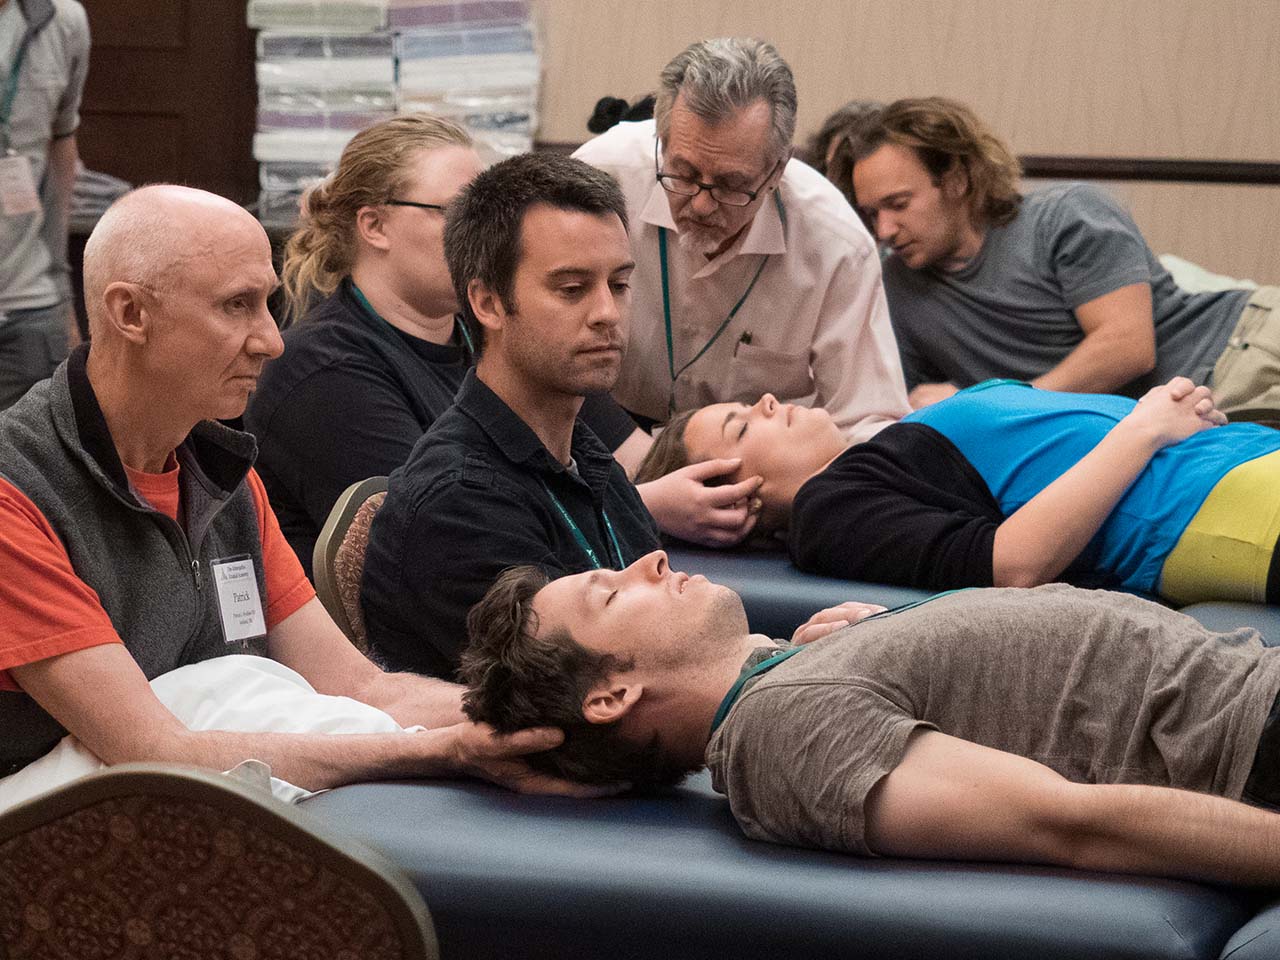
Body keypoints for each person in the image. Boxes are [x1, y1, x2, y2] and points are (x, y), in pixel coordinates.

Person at [0, 184, 603, 798]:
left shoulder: (223, 476)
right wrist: (444, 749)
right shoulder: (15, 496)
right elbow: (153, 751)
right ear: (131, 315)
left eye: (268, 303)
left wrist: (551, 723)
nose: (272, 340)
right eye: (237, 306)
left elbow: (362, 688)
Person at [461, 550, 1280, 886]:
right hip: (1257, 736)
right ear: (609, 696)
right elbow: (1069, 822)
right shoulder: (784, 729)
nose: (653, 559)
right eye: (613, 592)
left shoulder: (784, 676)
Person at [245, 115, 761, 573]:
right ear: (374, 225)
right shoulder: (319, 371)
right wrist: (648, 503)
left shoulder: (501, 335)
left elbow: (637, 459)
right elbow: (440, 530)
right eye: (458, 211)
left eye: (619, 285)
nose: (482, 232)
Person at [360, 153, 664, 678]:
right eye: (571, 289)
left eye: (618, 284)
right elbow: (599, 696)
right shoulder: (458, 503)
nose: (607, 314)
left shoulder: (587, 457)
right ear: (487, 302)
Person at [635, 377, 1280, 606]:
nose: (770, 400)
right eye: (743, 422)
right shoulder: (830, 509)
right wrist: (1143, 428)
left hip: (1238, 459)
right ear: (731, 496)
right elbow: (1013, 563)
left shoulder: (888, 445)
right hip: (1209, 510)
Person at [848, 97, 1280, 414]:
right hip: (1174, 415)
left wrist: (997, 405)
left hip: (1242, 352)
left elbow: (1128, 348)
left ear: (957, 179)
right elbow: (903, 404)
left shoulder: (1067, 214)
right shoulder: (896, 287)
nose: (884, 230)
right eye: (872, 214)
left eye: (899, 204)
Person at [573, 37, 908, 443]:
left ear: (777, 170)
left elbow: (867, 419)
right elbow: (534, 341)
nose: (700, 205)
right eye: (684, 174)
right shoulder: (602, 176)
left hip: (753, 464)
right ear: (662, 143)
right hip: (602, 429)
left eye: (731, 185)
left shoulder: (835, 244)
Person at [0, 0, 88, 409]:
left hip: (30, 306)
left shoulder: (62, 19)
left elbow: (60, 144)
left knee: (30, 468)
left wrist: (62, 291)